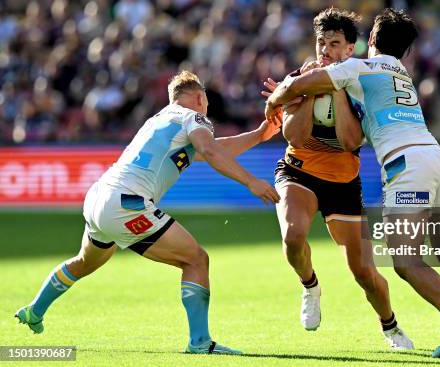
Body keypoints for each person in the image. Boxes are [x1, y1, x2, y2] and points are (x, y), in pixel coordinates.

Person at [264, 8, 440, 359]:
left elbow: (297, 85)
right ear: (406, 52)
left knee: (404, 261)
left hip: (406, 165)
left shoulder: (358, 67)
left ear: (369, 42)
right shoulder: (401, 72)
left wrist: (273, 102)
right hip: (439, 159)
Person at [16, 71, 281, 355]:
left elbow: (211, 149)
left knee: (84, 262)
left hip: (98, 198)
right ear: (200, 98)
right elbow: (211, 150)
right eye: (205, 102)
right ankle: (200, 343)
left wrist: (258, 135)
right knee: (196, 260)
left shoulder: (160, 119)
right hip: (126, 204)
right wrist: (251, 181)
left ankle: (35, 310)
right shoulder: (194, 117)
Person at [260, 7, 413, 349]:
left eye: (334, 43)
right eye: (321, 43)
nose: (325, 50)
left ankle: (390, 326)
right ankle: (310, 286)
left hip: (344, 182)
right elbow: (295, 137)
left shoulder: (362, 83)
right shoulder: (301, 79)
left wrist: (337, 87)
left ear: (349, 50)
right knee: (293, 236)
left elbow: (348, 141)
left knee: (364, 273)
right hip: (299, 170)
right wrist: (312, 88)